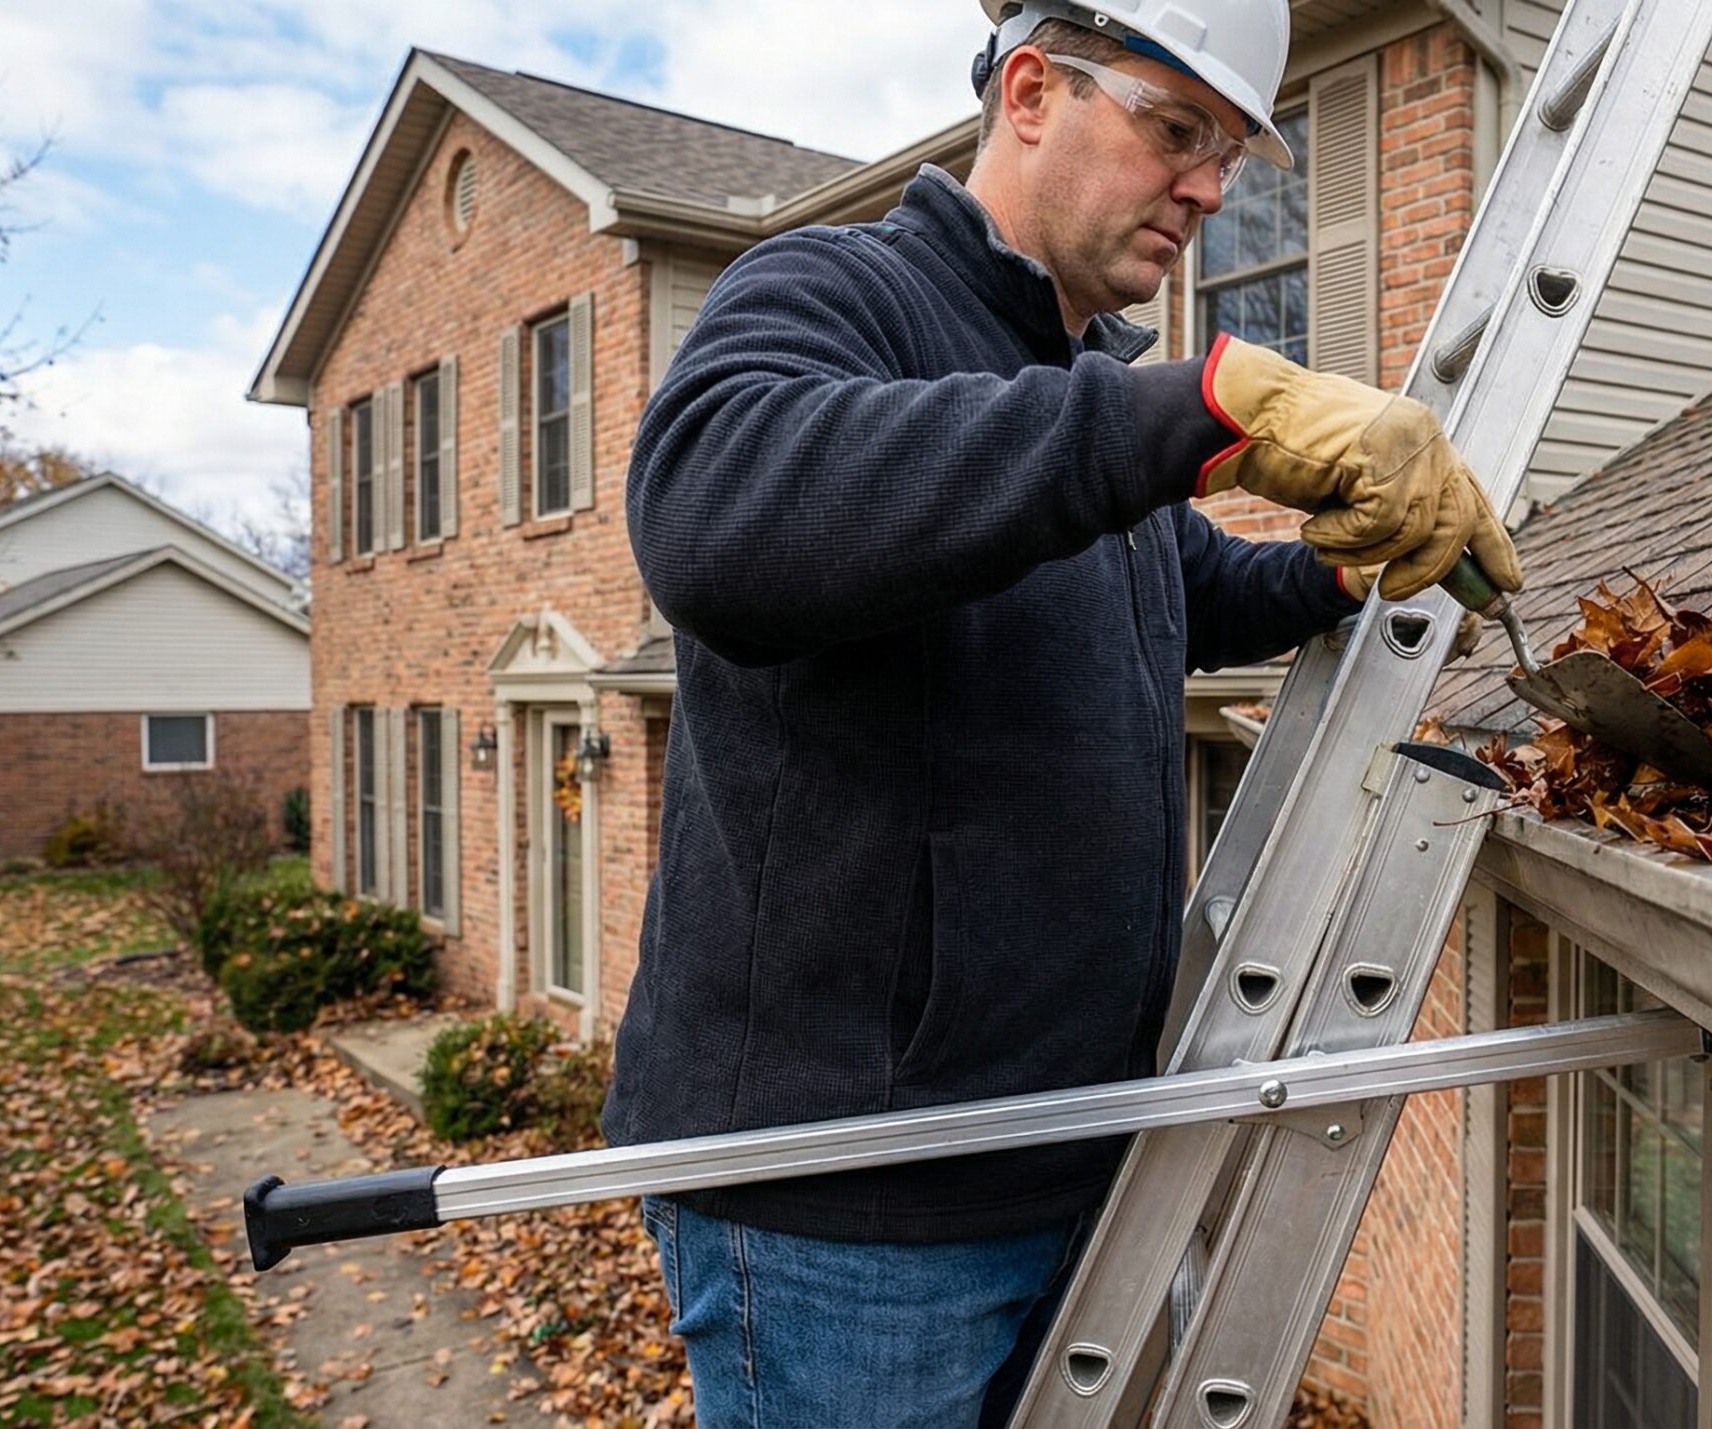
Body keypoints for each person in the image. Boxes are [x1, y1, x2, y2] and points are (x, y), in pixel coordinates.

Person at [605, 0, 1523, 1422]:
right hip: (849, 1209)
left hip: (1077, 1157)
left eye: (1228, 154)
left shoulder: (1079, 392)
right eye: (1178, 131)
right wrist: (1196, 409)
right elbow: (711, 521)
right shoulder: (831, 292)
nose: (1209, 187)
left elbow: (1187, 590)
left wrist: (1347, 568)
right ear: (1032, 93)